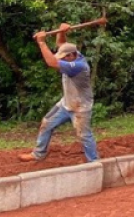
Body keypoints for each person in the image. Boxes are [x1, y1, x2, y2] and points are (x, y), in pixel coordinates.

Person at [19, 24, 98, 163]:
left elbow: (52, 62)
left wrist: (42, 42)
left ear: (72, 55)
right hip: (66, 103)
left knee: (84, 135)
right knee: (46, 123)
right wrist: (62, 32)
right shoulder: (73, 53)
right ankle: (39, 154)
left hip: (80, 108)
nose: (61, 58)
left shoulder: (78, 66)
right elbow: (62, 44)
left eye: (64, 57)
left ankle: (94, 162)